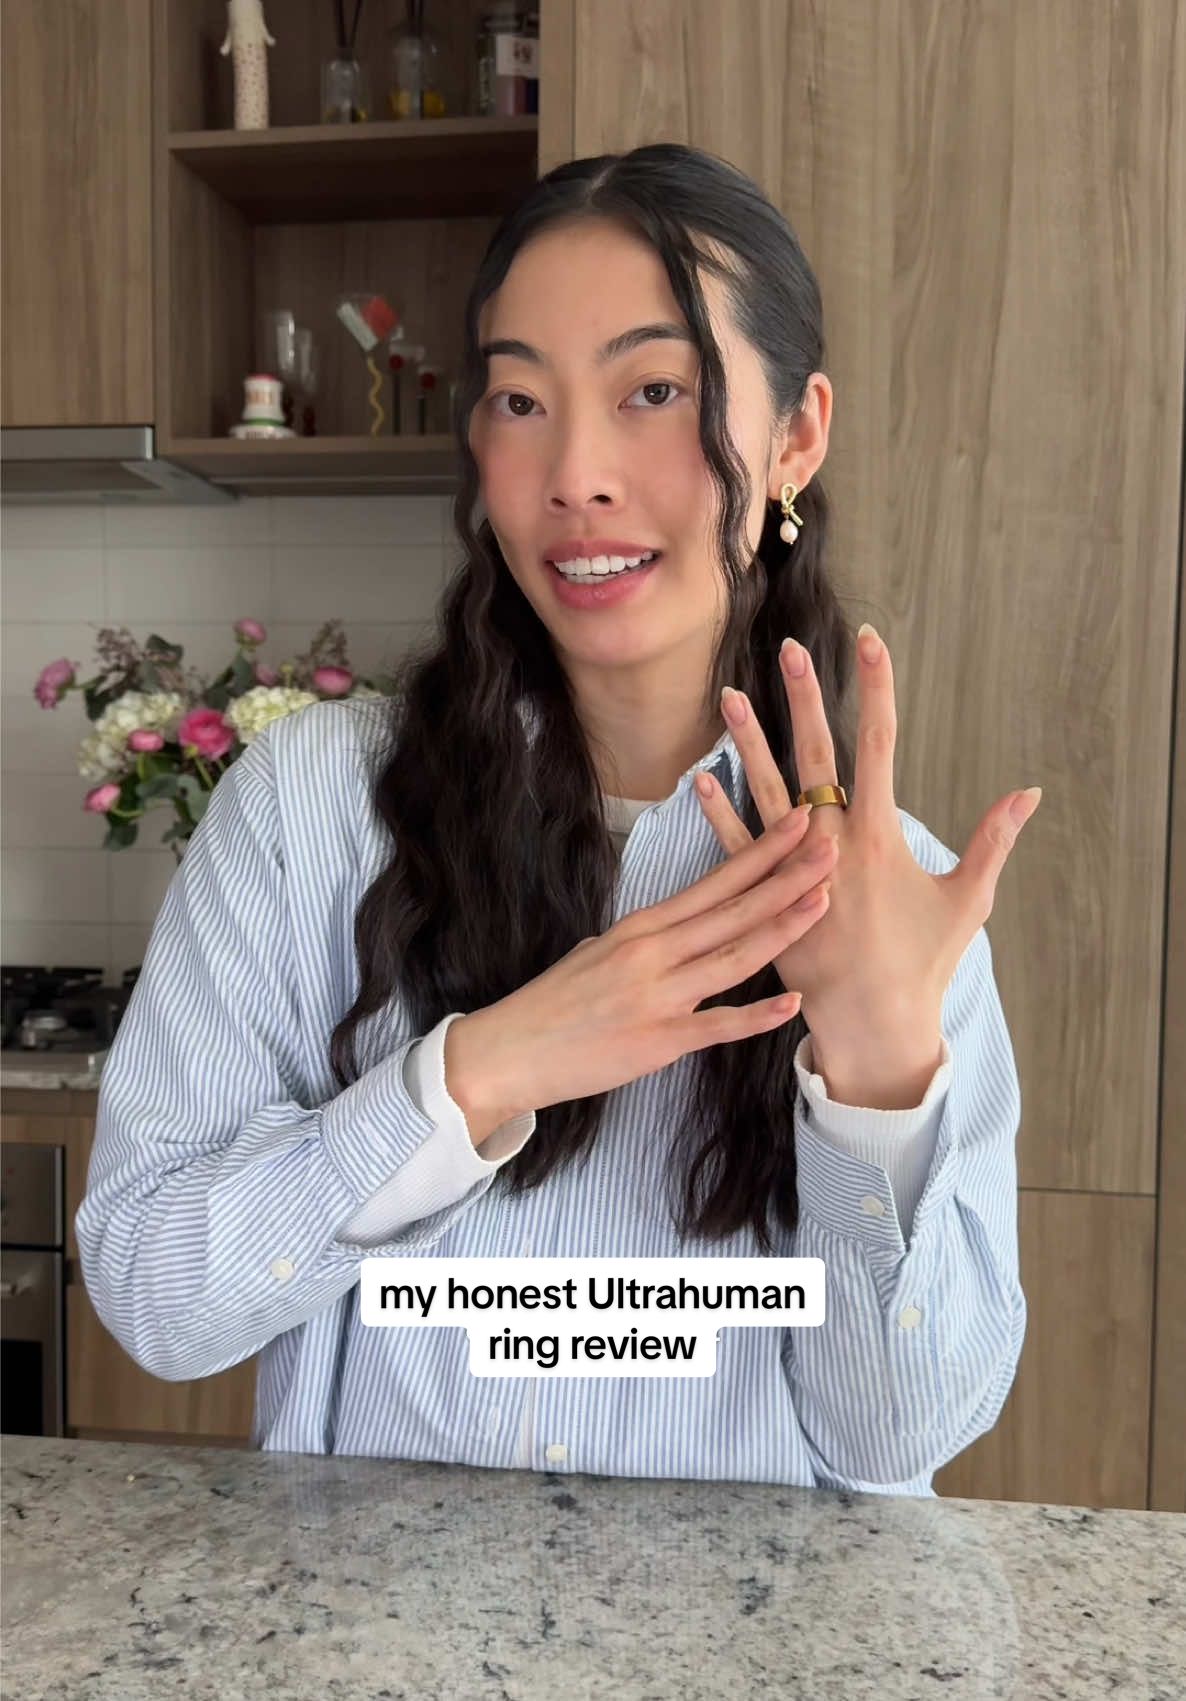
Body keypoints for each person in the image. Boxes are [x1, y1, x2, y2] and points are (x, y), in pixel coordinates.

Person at [77, 142, 1035, 1495]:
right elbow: (152, 1291)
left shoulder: (902, 901)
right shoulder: (309, 809)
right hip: (369, 1608)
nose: (575, 473)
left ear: (795, 435)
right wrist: (477, 1072)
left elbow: (899, 1439)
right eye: (521, 399)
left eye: (655, 391)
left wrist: (876, 1078)